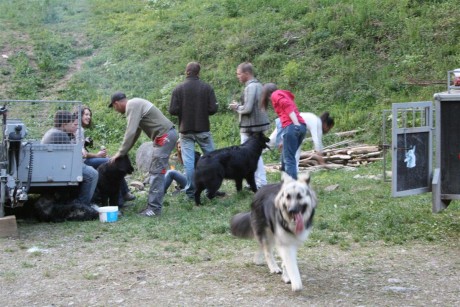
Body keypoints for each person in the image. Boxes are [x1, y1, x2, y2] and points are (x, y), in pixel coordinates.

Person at [109, 92, 178, 217]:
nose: (116, 110)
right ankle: (153, 206)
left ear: (116, 103)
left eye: (114, 107)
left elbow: (130, 132)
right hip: (165, 135)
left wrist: (120, 153)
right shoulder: (136, 104)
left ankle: (154, 209)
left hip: (165, 136)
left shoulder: (132, 105)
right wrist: (124, 151)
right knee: (156, 171)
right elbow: (135, 133)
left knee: (156, 172)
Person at [168, 62, 224, 199]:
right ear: (198, 73)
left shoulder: (178, 89)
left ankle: (191, 192)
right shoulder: (206, 87)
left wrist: (184, 110)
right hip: (203, 128)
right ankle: (212, 190)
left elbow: (172, 110)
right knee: (212, 160)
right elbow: (213, 109)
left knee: (188, 163)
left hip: (185, 130)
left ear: (186, 72)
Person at [74, 106, 135, 205]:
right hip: (81, 162)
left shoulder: (79, 129)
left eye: (90, 115)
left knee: (110, 161)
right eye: (86, 114)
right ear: (79, 115)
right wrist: (97, 155)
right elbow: (83, 155)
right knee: (111, 162)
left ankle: (121, 195)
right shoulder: (79, 129)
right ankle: (124, 193)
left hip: (81, 160)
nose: (89, 117)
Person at [41, 110, 99, 206]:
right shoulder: (60, 135)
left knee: (89, 170)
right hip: (59, 168)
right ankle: (82, 206)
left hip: (56, 165)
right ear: (64, 124)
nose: (73, 125)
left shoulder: (53, 132)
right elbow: (74, 157)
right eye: (71, 123)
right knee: (92, 174)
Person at [228, 62, 270, 188]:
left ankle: (259, 182)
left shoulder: (250, 87)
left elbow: (247, 109)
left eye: (239, 74)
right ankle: (257, 181)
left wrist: (236, 107)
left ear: (247, 73)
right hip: (258, 125)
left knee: (249, 155)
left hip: (250, 127)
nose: (238, 76)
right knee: (255, 154)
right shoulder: (260, 85)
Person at [261, 83, 306, 179]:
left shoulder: (275, 94)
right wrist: (282, 139)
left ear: (266, 93)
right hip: (301, 127)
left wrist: (295, 124)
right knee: (285, 157)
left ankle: (292, 187)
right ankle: (285, 181)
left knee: (288, 159)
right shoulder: (283, 94)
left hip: (293, 126)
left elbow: (287, 106)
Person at [268, 112, 334, 166]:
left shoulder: (314, 120)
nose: (328, 130)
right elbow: (317, 142)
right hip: (287, 124)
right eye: (329, 128)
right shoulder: (317, 122)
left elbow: (318, 143)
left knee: (295, 154)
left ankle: (292, 173)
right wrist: (321, 161)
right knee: (269, 143)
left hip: (289, 125)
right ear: (325, 124)